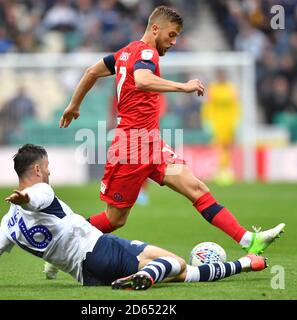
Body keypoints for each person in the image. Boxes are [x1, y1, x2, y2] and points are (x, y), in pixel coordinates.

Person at [59, 6, 284, 257]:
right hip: (130, 149)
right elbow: (143, 80)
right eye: (172, 35)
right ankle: (65, 239)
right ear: (155, 28)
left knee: (196, 188)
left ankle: (248, 240)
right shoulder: (147, 52)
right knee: (114, 220)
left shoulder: (125, 53)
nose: (174, 41)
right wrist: (183, 86)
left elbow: (92, 71)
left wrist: (74, 105)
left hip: (152, 145)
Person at [0, 144, 268, 291]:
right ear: (38, 171)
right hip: (97, 252)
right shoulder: (41, 192)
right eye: (48, 166)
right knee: (177, 267)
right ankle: (146, 277)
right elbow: (37, 198)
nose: (50, 170)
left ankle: (245, 263)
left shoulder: (6, 225)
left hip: (90, 264)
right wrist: (25, 198)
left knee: (179, 267)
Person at [201, 69, 240, 185]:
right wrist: (207, 121)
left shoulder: (231, 89)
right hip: (217, 123)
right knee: (218, 147)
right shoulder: (213, 89)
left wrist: (237, 121)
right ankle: (219, 171)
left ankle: (226, 170)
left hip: (229, 123)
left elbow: (236, 106)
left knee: (228, 147)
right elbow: (208, 106)